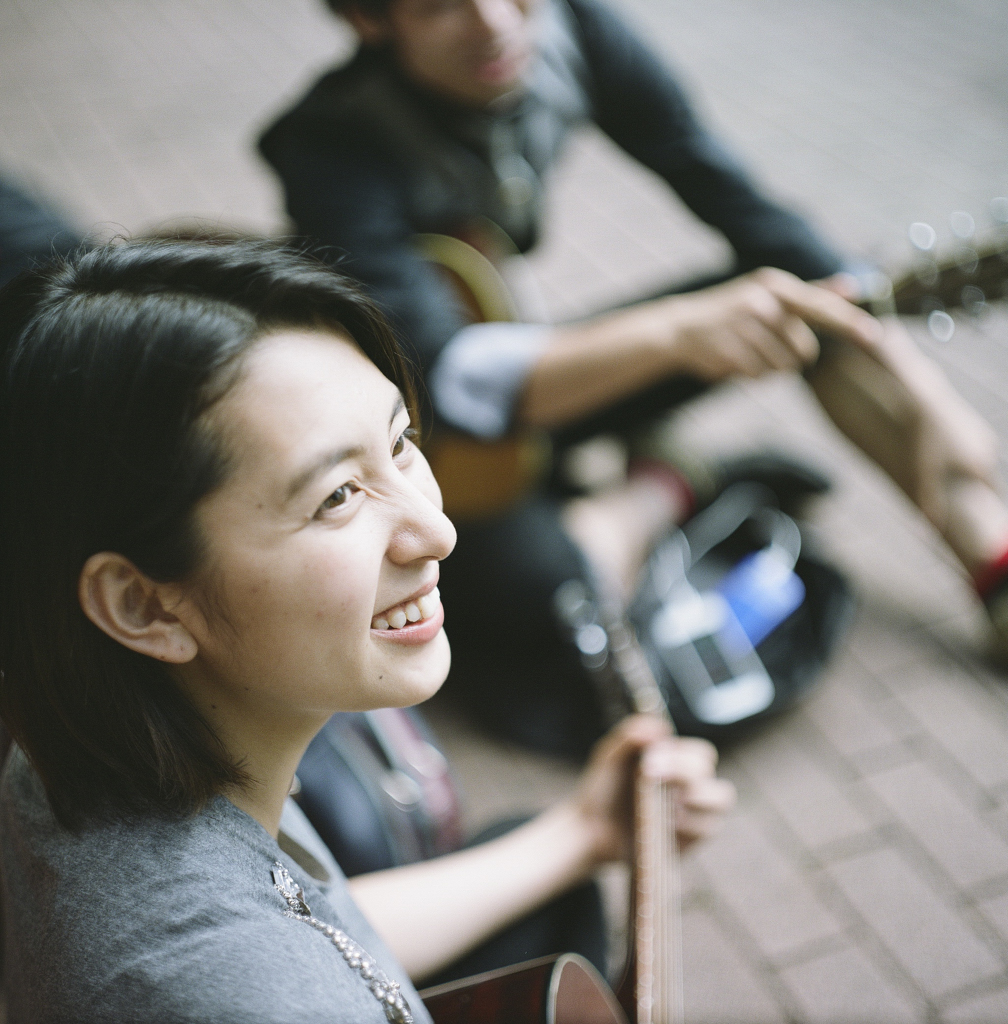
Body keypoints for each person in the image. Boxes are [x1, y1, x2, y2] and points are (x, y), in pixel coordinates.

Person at [0, 238, 734, 1022]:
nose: (437, 531)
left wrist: (584, 832)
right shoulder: (231, 994)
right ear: (144, 605)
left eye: (401, 443)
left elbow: (324, 927)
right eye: (338, 496)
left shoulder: (93, 745)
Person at [259, 0, 1008, 752]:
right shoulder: (332, 143)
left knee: (792, 294)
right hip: (426, 447)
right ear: (369, 19)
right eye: (438, 4)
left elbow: (736, 199)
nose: (493, 21)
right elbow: (454, 383)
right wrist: (678, 334)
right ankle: (668, 477)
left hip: (534, 375)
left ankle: (991, 552)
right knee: (552, 604)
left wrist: (925, 390)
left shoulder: (574, 27)